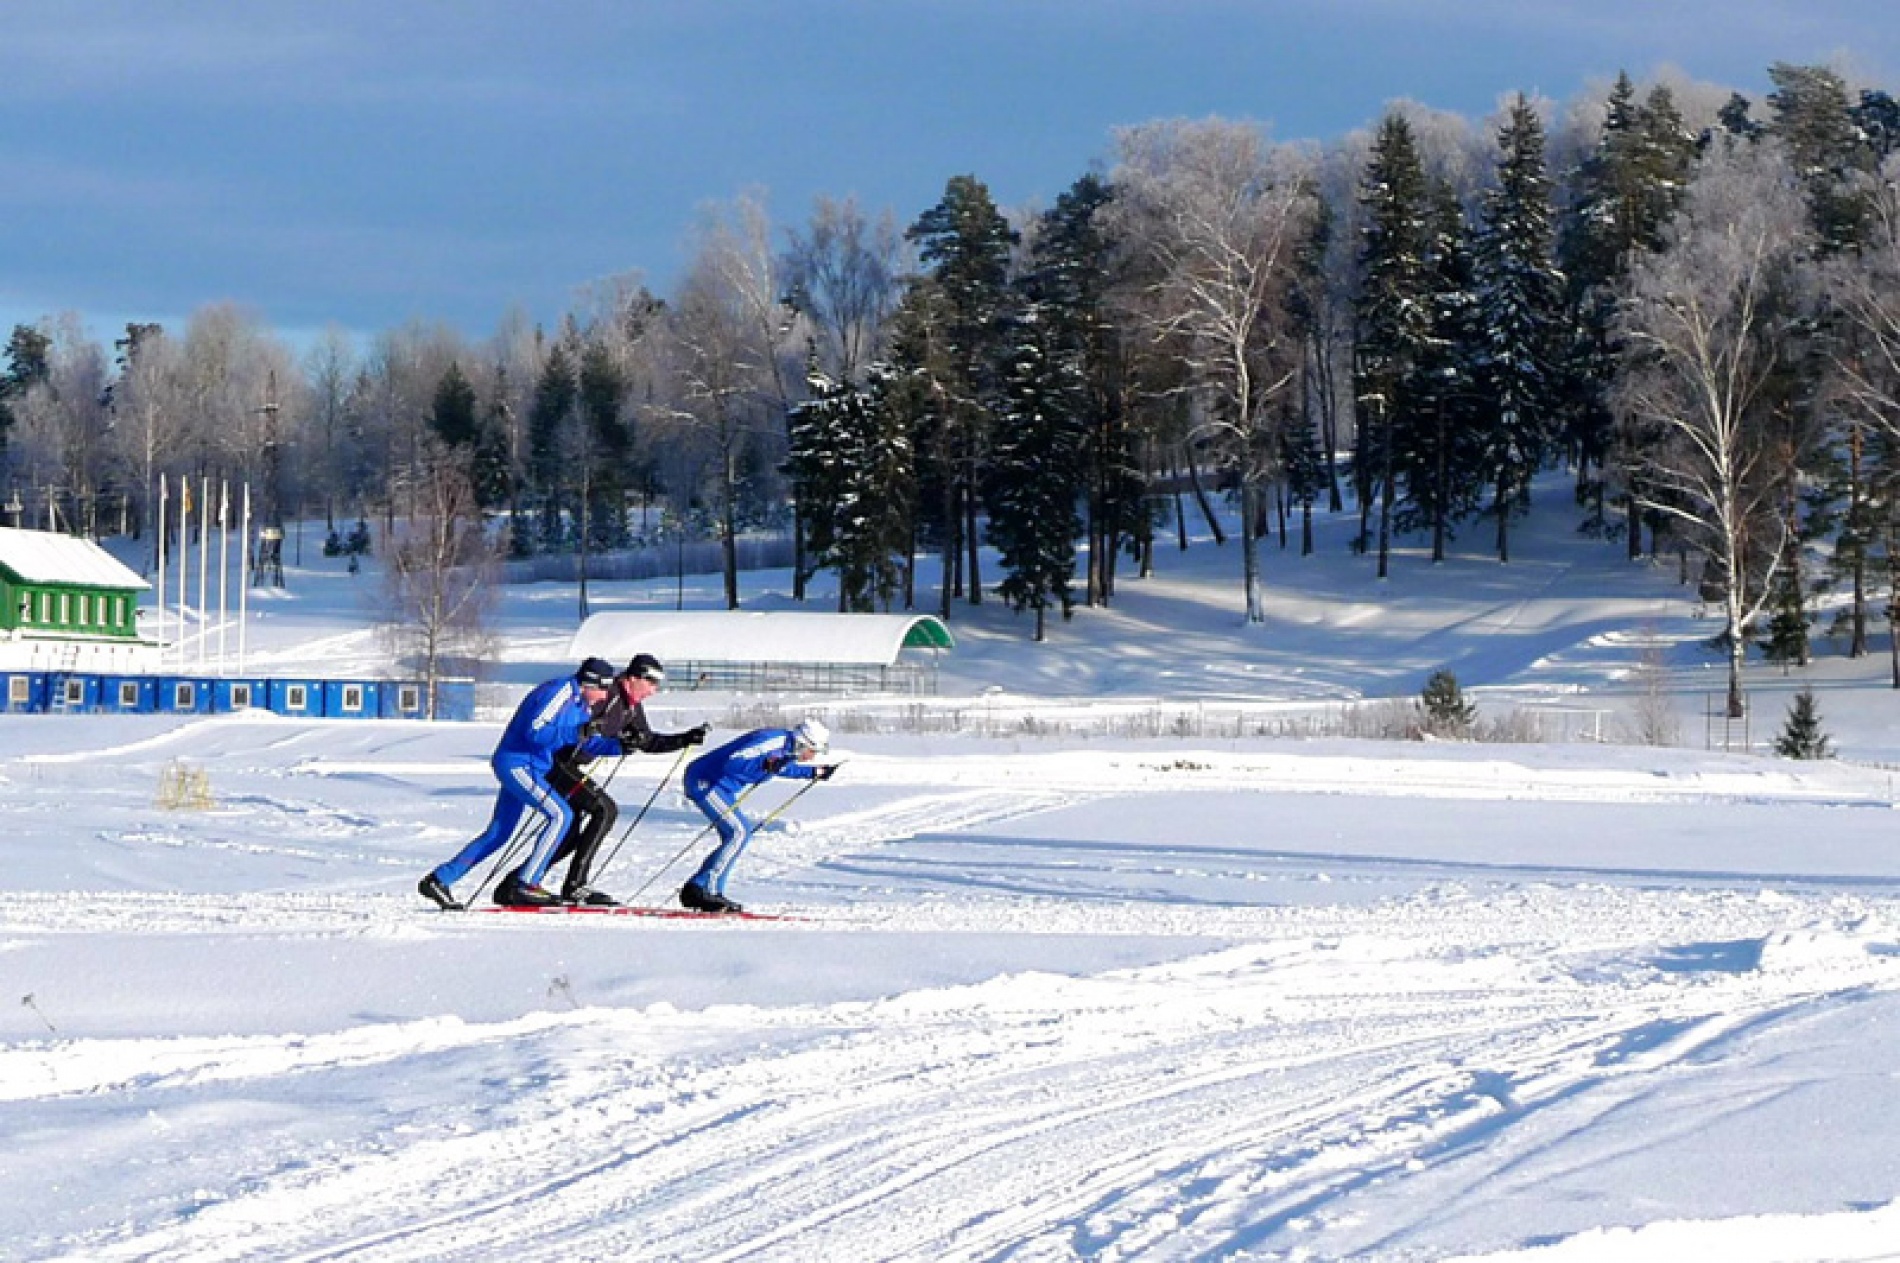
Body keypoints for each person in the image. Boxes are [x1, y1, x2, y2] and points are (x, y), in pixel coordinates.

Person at [417, 657, 623, 911]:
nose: (603, 697)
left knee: (499, 833)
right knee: (561, 815)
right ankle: (528, 882)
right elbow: (535, 730)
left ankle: (440, 880)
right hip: (517, 764)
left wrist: (620, 745)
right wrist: (579, 732)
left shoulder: (580, 705)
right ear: (590, 683)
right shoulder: (560, 692)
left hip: (532, 767)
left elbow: (583, 742)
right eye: (602, 689)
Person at [534, 653, 709, 906]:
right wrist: (612, 739)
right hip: (557, 762)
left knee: (570, 834)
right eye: (651, 683)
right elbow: (577, 721)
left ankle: (522, 880)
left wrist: (684, 739)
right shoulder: (608, 693)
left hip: (572, 766)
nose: (653, 691)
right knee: (604, 810)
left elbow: (647, 740)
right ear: (634, 678)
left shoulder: (632, 705)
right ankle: (575, 885)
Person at [679, 717, 837, 913]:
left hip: (722, 788)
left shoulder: (787, 749)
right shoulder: (773, 740)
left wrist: (815, 772)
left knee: (736, 836)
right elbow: (733, 762)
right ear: (804, 742)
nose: (811, 757)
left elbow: (781, 767)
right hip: (705, 781)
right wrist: (764, 766)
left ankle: (710, 891)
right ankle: (701, 888)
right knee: (739, 832)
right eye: (812, 752)